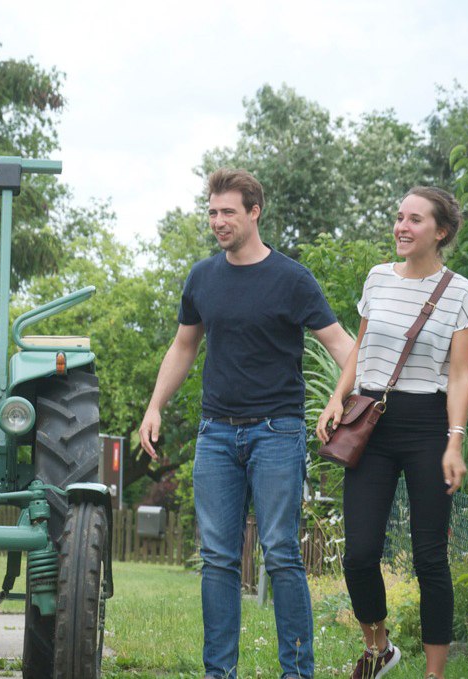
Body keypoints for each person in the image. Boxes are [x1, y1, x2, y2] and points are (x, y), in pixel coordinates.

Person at [139, 168, 354, 679]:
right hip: (215, 434)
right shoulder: (202, 277)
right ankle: (219, 673)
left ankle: (297, 672)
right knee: (216, 557)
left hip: (276, 432)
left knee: (279, 552)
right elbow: (184, 346)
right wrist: (154, 406)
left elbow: (344, 345)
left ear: (255, 212)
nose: (218, 221)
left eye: (228, 212)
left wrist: (342, 400)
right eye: (212, 212)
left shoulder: (292, 279)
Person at [317, 187, 468, 679]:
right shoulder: (376, 279)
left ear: (441, 232)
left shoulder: (462, 293)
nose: (402, 227)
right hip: (371, 420)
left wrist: (455, 440)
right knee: (360, 553)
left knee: (429, 555)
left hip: (428, 426)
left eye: (415, 220)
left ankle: (434, 673)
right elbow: (361, 348)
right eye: (399, 217)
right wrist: (335, 397)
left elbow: (459, 377)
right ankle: (379, 644)